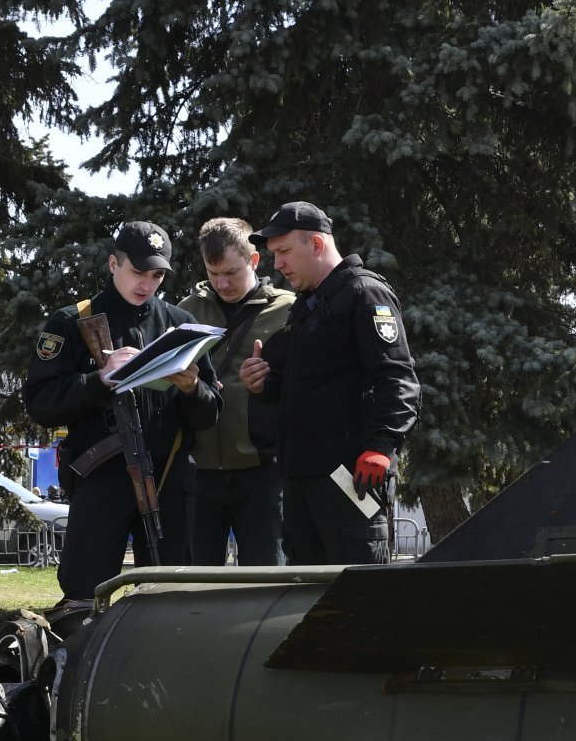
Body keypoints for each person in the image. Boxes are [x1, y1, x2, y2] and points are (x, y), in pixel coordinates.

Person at [25, 221, 222, 605]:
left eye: (157, 275)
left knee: (172, 599)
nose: (147, 284)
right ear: (113, 263)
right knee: (84, 596)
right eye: (138, 271)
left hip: (168, 483)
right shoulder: (72, 322)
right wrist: (100, 379)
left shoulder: (181, 326)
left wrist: (191, 388)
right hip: (102, 482)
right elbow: (41, 403)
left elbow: (210, 415)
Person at [237, 201, 418, 565]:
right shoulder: (307, 305)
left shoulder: (365, 294)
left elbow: (398, 378)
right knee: (305, 600)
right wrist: (263, 384)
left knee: (358, 598)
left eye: (284, 252)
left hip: (350, 479)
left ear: (317, 245)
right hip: (302, 480)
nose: (278, 264)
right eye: (273, 254)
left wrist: (381, 446)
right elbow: (303, 388)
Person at [179, 216, 296, 565]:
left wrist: (270, 381)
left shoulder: (289, 310)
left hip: (263, 472)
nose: (222, 283)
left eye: (231, 272)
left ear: (254, 260)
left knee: (265, 578)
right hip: (199, 473)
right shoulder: (186, 312)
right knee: (193, 581)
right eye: (213, 273)